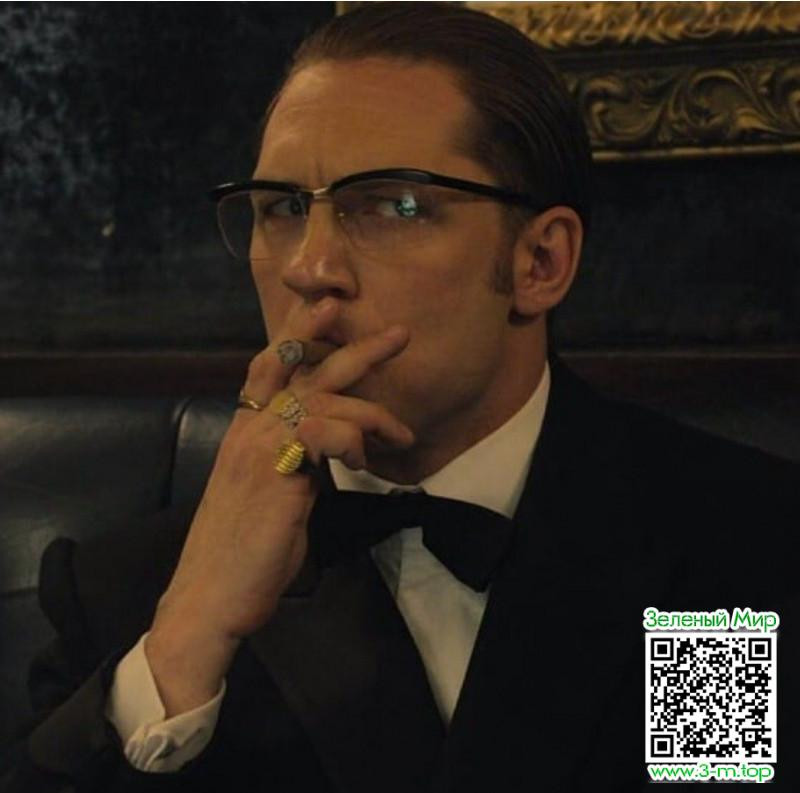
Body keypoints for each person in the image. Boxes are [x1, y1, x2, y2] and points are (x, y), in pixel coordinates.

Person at [2, 3, 798, 792]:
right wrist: (186, 638)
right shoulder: (130, 589)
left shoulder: (731, 539)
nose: (309, 267)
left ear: (540, 262)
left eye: (392, 204)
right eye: (283, 208)